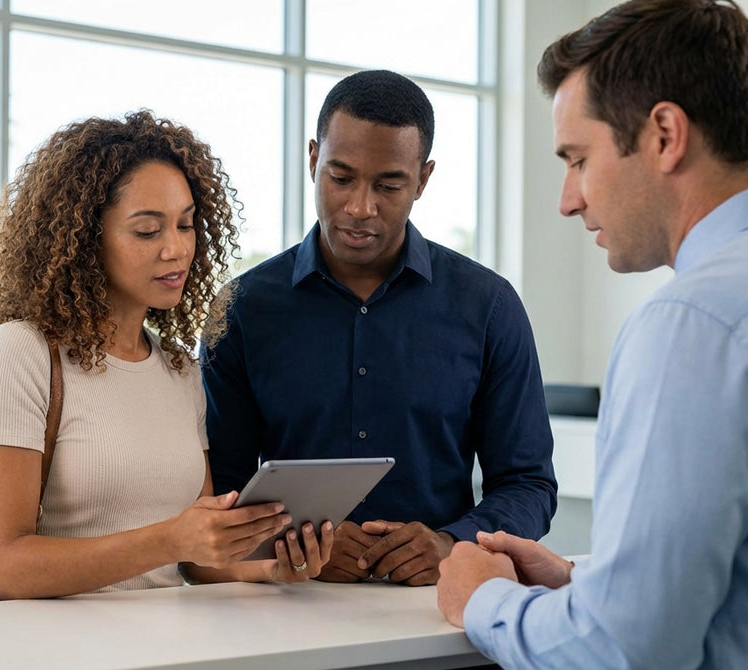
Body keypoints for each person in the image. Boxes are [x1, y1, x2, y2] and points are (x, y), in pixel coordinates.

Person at [437, 1, 748, 667]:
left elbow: (623, 651)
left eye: (577, 158)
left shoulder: (696, 322)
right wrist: (586, 586)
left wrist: (482, 598)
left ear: (664, 134)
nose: (567, 199)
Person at [202, 70, 557, 587]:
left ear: (423, 179)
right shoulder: (241, 308)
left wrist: (451, 542)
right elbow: (223, 495)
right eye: (340, 177)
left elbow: (528, 484)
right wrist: (292, 541)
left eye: (389, 185)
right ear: (311, 160)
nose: (359, 208)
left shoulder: (489, 305)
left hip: (440, 613)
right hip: (285, 614)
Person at [0, 110, 334, 599]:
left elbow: (195, 561)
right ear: (82, 238)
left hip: (166, 649)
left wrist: (271, 570)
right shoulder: (21, 352)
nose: (176, 249)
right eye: (147, 231)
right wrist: (167, 538)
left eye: (185, 225)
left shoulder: (179, 369)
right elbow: (5, 569)